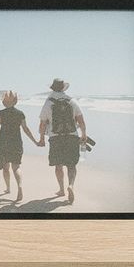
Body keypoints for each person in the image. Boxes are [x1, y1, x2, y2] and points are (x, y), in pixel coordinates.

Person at [37, 77, 94, 206]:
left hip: (55, 138)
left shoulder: (48, 102)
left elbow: (42, 123)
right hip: (72, 137)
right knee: (71, 165)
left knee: (58, 165)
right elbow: (81, 121)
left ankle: (61, 189)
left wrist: (41, 139)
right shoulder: (72, 101)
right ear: (63, 88)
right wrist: (84, 134)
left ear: (52, 88)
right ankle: (71, 185)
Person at [0, 89, 33, 203]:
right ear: (15, 101)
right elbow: (25, 129)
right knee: (16, 167)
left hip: (4, 142)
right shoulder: (20, 113)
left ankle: (8, 188)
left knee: (5, 167)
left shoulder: (0, 113)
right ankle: (19, 186)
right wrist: (35, 141)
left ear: (4, 102)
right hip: (16, 142)